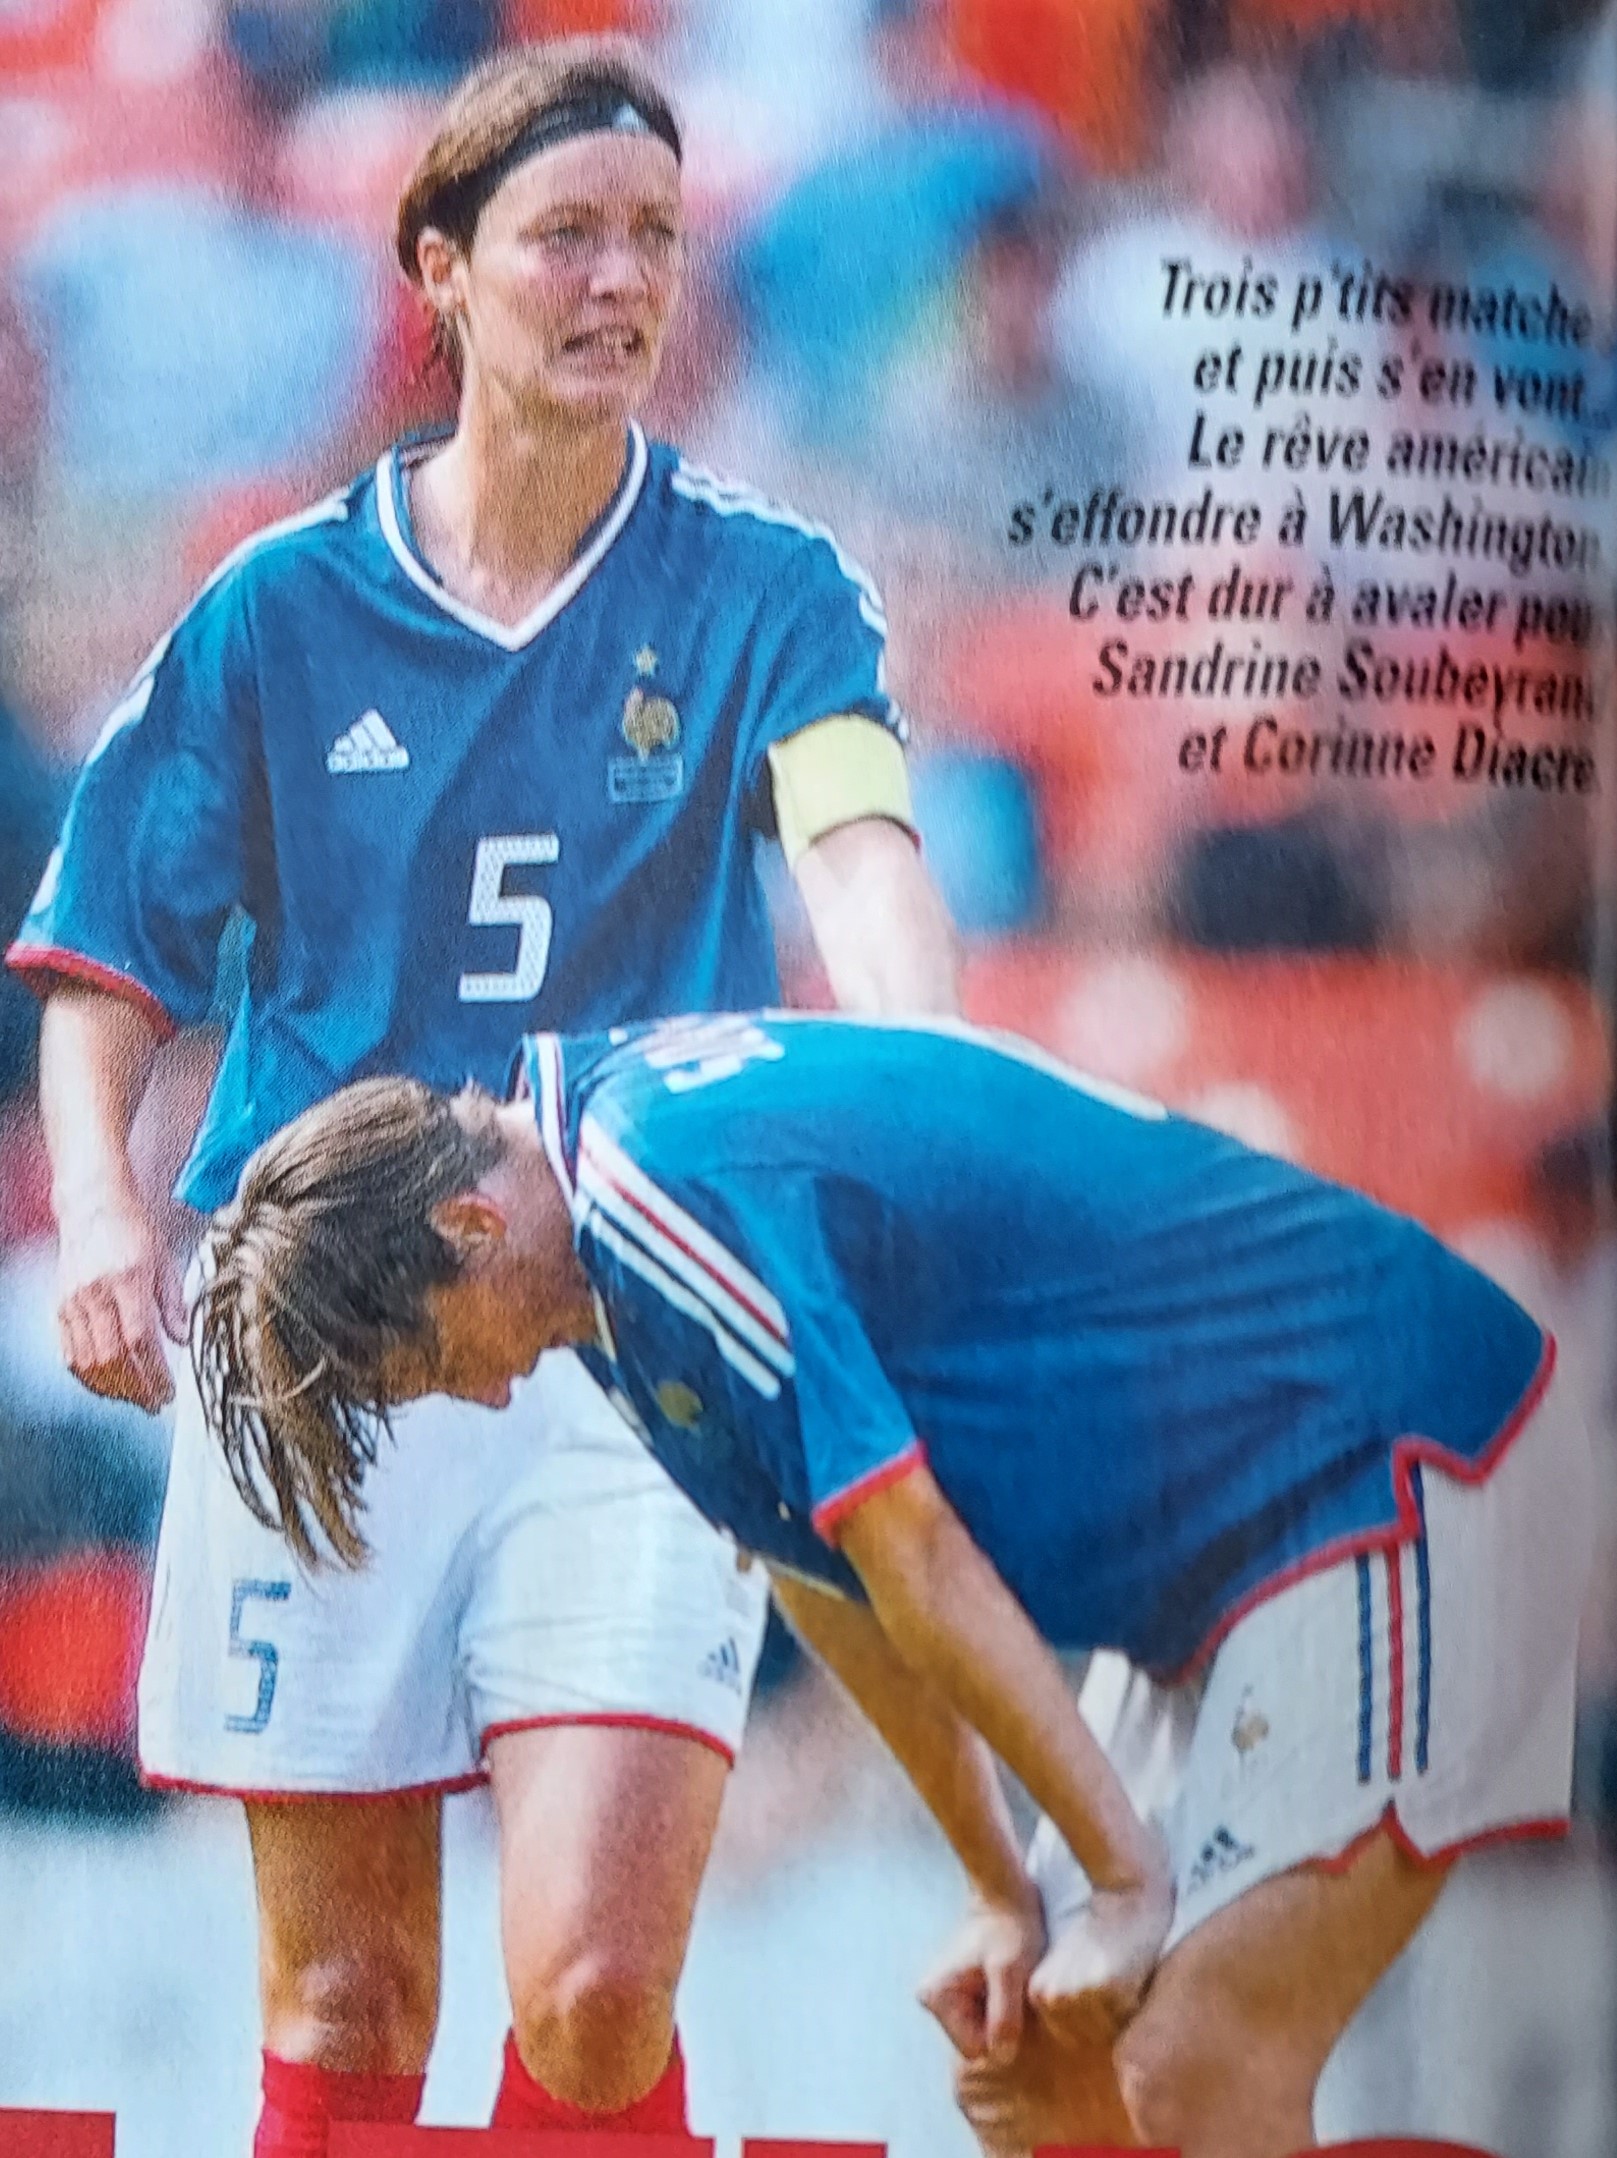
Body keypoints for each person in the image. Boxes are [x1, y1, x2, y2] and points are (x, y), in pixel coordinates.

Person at [6, 39, 958, 2156]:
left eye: (652, 237)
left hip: (628, 1330)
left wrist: (913, 1081)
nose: (621, 278)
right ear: (441, 267)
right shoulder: (276, 606)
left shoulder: (768, 589)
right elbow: (104, 974)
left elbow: (856, 849)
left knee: (600, 1986)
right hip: (318, 1336)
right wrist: (99, 1217)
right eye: (565, 236)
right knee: (344, 2004)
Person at [192, 1010, 1592, 2158]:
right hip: (1232, 1549)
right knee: (1042, 2073)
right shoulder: (603, 1218)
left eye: (438, 1359)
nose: (480, 1398)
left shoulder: (653, 1196)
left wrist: (1114, 1878)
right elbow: (824, 1577)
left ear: (467, 1228)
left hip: (1378, 1454)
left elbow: (907, 1546)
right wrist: (1006, 1888)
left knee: (1200, 2064)